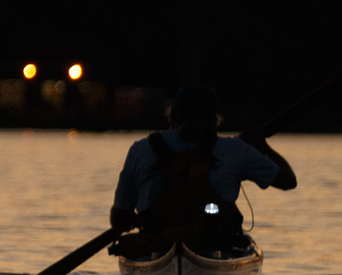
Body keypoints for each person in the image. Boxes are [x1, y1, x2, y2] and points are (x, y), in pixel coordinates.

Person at [109, 84, 294, 256]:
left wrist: (135, 219)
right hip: (215, 246)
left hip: (157, 248)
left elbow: (119, 219)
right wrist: (261, 147)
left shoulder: (141, 149)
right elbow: (288, 181)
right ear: (214, 119)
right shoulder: (237, 149)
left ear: (173, 115)